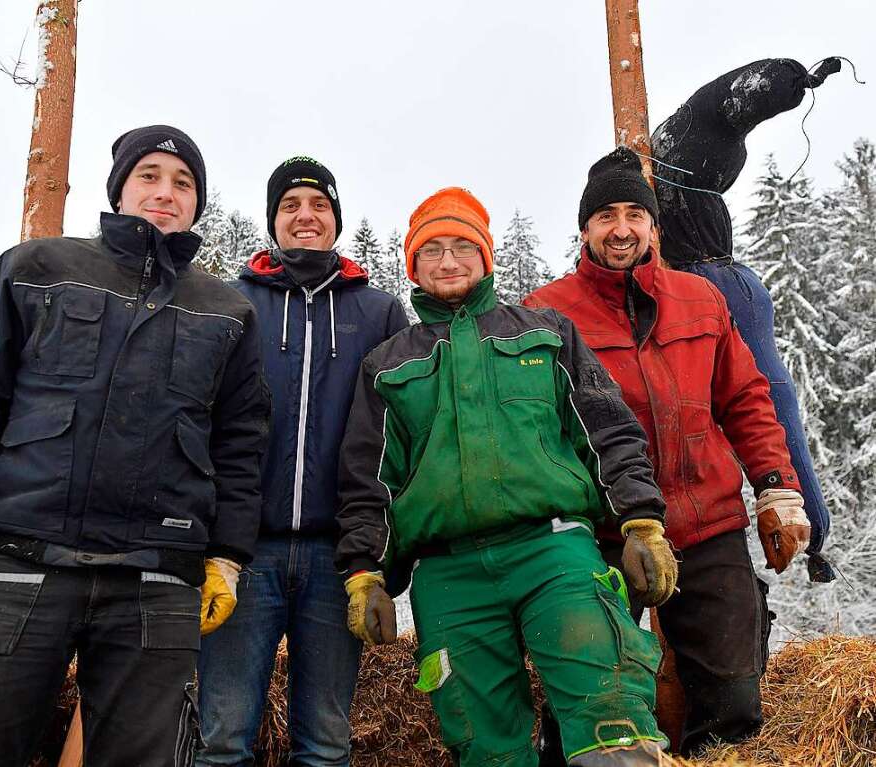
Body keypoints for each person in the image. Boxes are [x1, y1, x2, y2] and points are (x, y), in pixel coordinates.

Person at [0, 125, 270, 767]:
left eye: (183, 183)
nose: (165, 192)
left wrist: (227, 556)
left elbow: (242, 443)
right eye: (149, 176)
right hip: (22, 560)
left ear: (198, 202)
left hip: (157, 576)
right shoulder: (37, 268)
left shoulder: (226, 310)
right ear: (120, 188)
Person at [335, 186, 677, 766]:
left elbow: (607, 433)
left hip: (554, 553)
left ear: (486, 257)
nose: (448, 262)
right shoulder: (388, 364)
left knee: (609, 710)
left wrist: (642, 521)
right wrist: (366, 574)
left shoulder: (546, 335)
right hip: (448, 573)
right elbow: (370, 482)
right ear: (412, 265)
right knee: (484, 743)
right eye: (432, 250)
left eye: (463, 248)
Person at [525, 147, 810, 756]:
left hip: (707, 524)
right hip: (601, 535)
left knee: (733, 705)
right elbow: (535, 434)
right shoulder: (546, 314)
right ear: (584, 228)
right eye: (605, 215)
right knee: (592, 700)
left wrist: (777, 487)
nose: (621, 228)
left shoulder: (702, 301)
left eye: (635, 213)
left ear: (655, 226)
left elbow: (746, 399)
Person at [197, 156, 409, 767]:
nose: (305, 216)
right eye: (290, 206)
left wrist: (376, 552)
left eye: (318, 205)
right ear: (274, 222)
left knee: (324, 742)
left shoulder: (379, 311)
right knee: (223, 736)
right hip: (244, 552)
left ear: (336, 219)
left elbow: (396, 436)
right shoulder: (231, 303)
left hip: (336, 557)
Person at [650, 57, 844, 581]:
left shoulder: (705, 131)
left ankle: (806, 517)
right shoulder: (683, 136)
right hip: (692, 280)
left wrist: (793, 81)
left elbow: (741, 93)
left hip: (717, 283)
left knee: (763, 395)